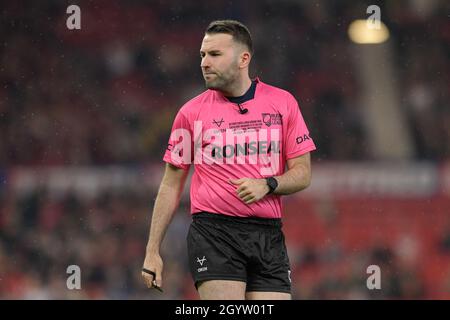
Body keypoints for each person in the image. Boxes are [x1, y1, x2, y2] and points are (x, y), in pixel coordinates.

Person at [142, 19, 316, 300]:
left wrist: (268, 184)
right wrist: (152, 251)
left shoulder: (283, 103)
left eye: (214, 55)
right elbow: (170, 184)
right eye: (202, 55)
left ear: (243, 58)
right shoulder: (190, 113)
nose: (204, 63)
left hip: (268, 236)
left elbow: (303, 174)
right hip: (215, 234)